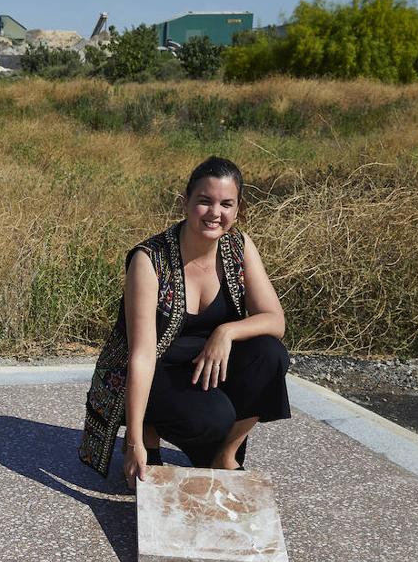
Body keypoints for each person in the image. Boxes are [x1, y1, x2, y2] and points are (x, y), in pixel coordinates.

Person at [79, 156, 290, 486]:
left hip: (204, 369)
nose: (214, 213)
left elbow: (275, 320)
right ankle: (150, 430)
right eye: (204, 201)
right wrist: (132, 443)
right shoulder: (149, 260)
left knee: (271, 353)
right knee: (214, 418)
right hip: (156, 371)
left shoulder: (240, 247)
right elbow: (142, 355)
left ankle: (225, 455)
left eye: (226, 204)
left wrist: (226, 331)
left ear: (238, 210)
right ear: (186, 203)